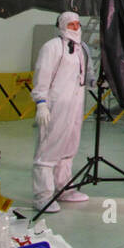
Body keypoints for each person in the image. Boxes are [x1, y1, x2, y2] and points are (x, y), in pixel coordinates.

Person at [31, 11, 92, 212]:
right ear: (61, 26)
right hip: (55, 106)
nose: (76, 28)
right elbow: (42, 75)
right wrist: (41, 102)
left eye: (78, 24)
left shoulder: (82, 49)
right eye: (71, 25)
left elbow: (86, 76)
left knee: (69, 148)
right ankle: (43, 196)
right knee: (48, 150)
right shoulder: (52, 47)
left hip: (75, 106)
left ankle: (64, 189)